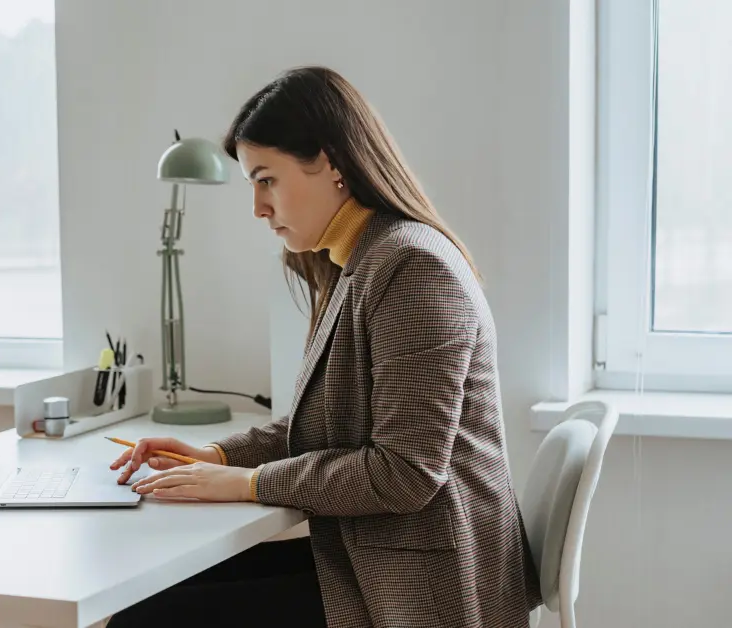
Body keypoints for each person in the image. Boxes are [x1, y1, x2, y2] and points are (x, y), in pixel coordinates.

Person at [107, 66, 542, 628]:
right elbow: (327, 427)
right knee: (149, 598)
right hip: (375, 556)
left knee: (149, 620)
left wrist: (249, 482)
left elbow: (404, 473)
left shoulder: (411, 266)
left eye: (267, 180)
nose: (258, 209)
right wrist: (217, 457)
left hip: (427, 587)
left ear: (332, 163)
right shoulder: (354, 260)